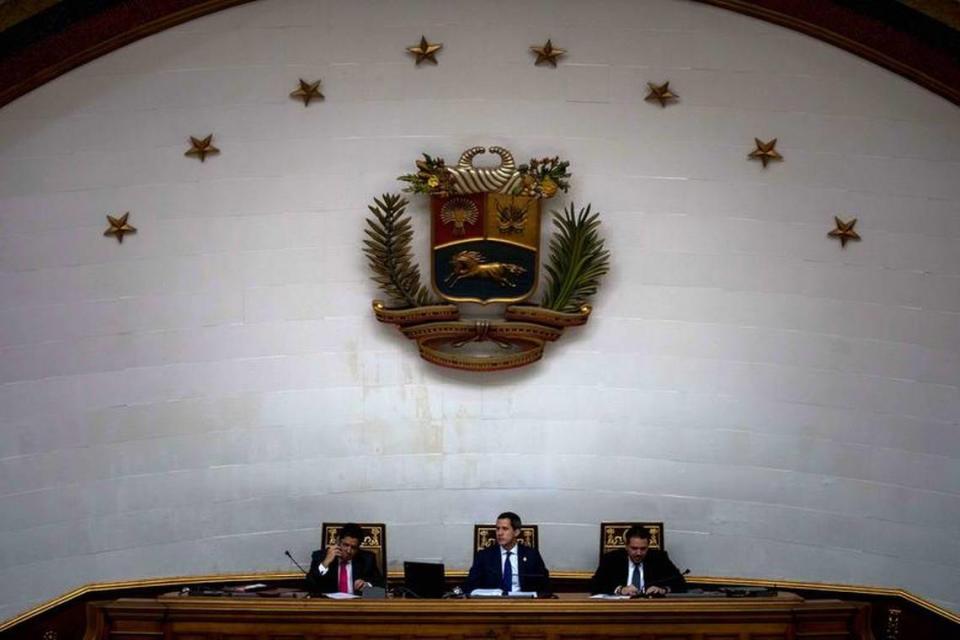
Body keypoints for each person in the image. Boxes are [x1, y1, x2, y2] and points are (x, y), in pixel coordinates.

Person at [463, 512, 551, 595]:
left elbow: (545, 586)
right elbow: (470, 586)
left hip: (523, 604)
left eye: (505, 529)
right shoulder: (484, 556)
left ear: (516, 532)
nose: (499, 533)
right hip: (493, 605)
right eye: (497, 529)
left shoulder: (531, 555)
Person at [589, 525, 687, 596]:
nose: (639, 553)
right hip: (619, 610)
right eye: (634, 548)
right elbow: (595, 585)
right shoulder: (611, 559)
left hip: (651, 611)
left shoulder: (659, 558)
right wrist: (620, 590)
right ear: (626, 547)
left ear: (648, 547)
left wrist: (663, 589)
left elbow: (681, 583)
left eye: (643, 549)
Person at [306, 523, 384, 594]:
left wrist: (367, 585)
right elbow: (310, 586)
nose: (349, 551)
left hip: (357, 606)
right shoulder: (320, 556)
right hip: (329, 606)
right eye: (346, 545)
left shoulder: (367, 559)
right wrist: (325, 563)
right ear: (338, 541)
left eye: (353, 547)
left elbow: (382, 589)